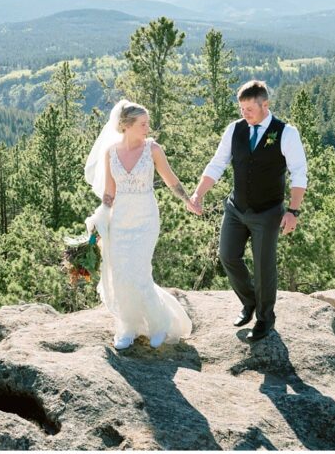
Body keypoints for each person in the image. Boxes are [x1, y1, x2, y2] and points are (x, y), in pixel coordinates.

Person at [188, 80, 308, 341]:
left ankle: (265, 319)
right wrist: (198, 193)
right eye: (241, 108)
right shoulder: (235, 129)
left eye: (249, 109)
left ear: (265, 105)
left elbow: (299, 173)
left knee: (264, 267)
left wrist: (293, 211)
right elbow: (217, 163)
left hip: (267, 212)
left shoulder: (286, 133)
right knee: (228, 255)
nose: (244, 114)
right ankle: (250, 301)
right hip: (236, 207)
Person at [84, 100, 194, 350]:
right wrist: (101, 215)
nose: (148, 127)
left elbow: (171, 180)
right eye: (143, 123)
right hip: (120, 220)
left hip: (145, 219)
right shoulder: (110, 152)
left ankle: (159, 325)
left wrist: (188, 201)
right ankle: (128, 327)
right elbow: (109, 192)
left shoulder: (153, 149)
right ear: (127, 125)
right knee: (122, 275)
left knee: (140, 272)